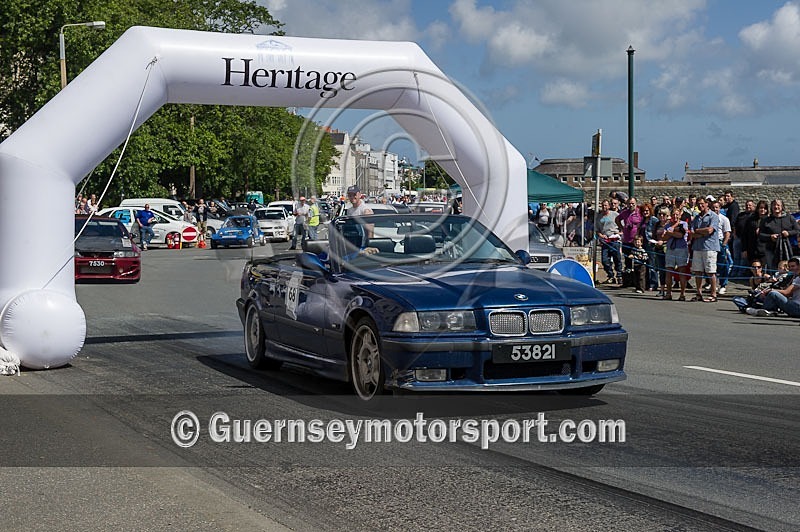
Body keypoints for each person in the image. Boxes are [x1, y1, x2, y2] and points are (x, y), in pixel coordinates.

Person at [689, 197, 719, 302]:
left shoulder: (713, 216)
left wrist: (698, 231)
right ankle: (698, 293)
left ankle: (713, 294)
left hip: (709, 247)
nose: (700, 206)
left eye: (702, 204)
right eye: (699, 204)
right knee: (698, 271)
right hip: (697, 247)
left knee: (711, 271)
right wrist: (700, 232)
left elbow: (710, 230)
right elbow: (692, 232)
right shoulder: (697, 217)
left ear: (707, 204)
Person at [757, 198, 799, 272]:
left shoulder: (789, 218)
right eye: (774, 205)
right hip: (771, 249)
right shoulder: (766, 220)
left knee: (788, 268)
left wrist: (788, 233)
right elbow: (760, 235)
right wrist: (770, 237)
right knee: (773, 269)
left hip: (787, 248)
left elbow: (797, 230)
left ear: (782, 206)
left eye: (778, 205)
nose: (776, 207)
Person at [662, 208, 690, 300]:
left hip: (681, 249)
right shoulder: (668, 225)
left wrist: (670, 233)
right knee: (669, 271)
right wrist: (673, 229)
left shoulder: (684, 224)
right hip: (670, 249)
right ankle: (668, 293)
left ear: (680, 215)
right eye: (673, 214)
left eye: (677, 214)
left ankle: (682, 294)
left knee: (682, 270)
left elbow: (680, 235)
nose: (675, 216)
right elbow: (664, 237)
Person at [595, 200, 623, 284]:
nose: (604, 207)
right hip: (605, 241)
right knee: (604, 260)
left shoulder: (615, 215)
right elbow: (597, 230)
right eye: (603, 206)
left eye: (606, 205)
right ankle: (610, 275)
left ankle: (619, 275)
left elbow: (623, 226)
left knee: (617, 259)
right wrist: (601, 235)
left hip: (614, 240)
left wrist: (620, 233)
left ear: (609, 206)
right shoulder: (599, 217)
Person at [710, 200, 732, 295]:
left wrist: (724, 244)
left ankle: (723, 285)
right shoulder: (709, 218)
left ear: (719, 208)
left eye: (717, 207)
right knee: (711, 266)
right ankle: (712, 284)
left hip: (720, 242)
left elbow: (727, 232)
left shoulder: (724, 219)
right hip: (710, 243)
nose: (715, 209)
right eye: (713, 207)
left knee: (723, 265)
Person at [743, 200, 769, 266]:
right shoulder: (750, 220)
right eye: (761, 208)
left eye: (764, 208)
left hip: (765, 249)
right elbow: (745, 235)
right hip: (752, 248)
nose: (762, 210)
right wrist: (744, 249)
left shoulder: (769, 220)